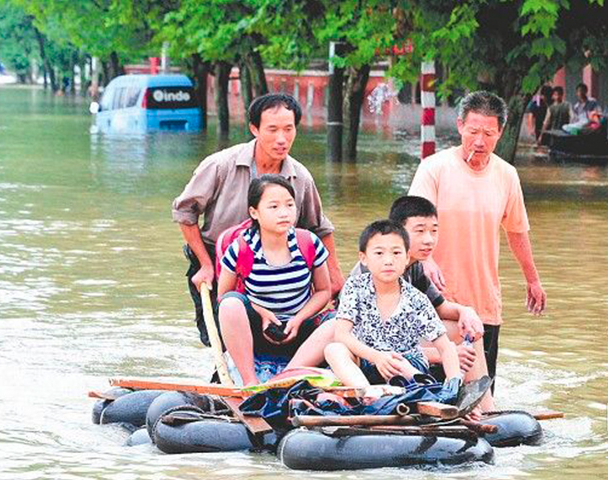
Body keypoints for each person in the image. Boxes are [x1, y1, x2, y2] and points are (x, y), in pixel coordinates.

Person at [172, 93, 345, 347]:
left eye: (288, 129)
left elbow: (319, 227)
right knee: (221, 338)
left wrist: (335, 275)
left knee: (280, 336)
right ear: (254, 128)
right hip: (219, 261)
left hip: (277, 268)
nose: (281, 139)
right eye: (272, 130)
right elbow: (185, 213)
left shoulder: (300, 177)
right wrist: (205, 265)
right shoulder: (221, 165)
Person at [409, 90, 547, 390]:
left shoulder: (507, 175)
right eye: (473, 132)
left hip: (483, 302)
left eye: (488, 133)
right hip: (435, 302)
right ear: (460, 126)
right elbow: (412, 223)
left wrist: (533, 280)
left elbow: (516, 231)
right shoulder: (434, 168)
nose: (480, 141)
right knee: (433, 392)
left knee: (481, 395)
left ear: (500, 132)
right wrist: (427, 260)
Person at [348, 196, 493, 410]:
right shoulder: (375, 271)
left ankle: (484, 406)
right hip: (367, 349)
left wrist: (466, 312)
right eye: (420, 231)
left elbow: (441, 309)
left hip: (402, 343)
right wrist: (443, 354)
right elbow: (374, 337)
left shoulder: (414, 267)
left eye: (434, 231)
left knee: (467, 329)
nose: (429, 240)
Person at [216, 175, 335, 386]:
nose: (284, 213)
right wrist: (261, 313)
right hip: (258, 332)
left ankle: (284, 378)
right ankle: (250, 382)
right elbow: (223, 295)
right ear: (254, 212)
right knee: (230, 305)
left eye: (289, 205)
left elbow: (324, 291)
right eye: (273, 206)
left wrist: (298, 319)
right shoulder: (240, 248)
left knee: (338, 322)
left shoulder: (308, 242)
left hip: (301, 332)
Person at [325, 220, 461, 388]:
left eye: (396, 253)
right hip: (369, 359)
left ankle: (423, 387)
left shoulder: (417, 299)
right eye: (379, 253)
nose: (388, 261)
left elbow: (446, 348)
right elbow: (342, 335)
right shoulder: (354, 287)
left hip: (406, 363)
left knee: (401, 363)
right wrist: (376, 357)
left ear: (407, 258)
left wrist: (454, 383)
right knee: (334, 350)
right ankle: (368, 393)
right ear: (363, 258)